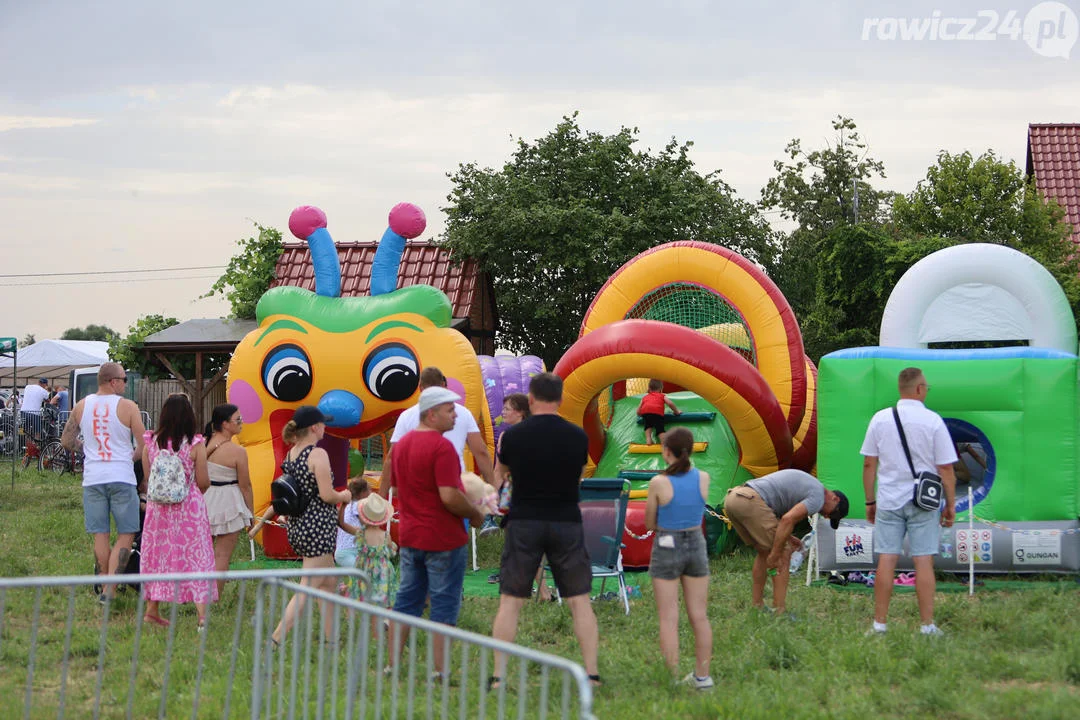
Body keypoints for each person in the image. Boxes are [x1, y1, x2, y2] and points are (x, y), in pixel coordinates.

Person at [489, 372, 601, 691]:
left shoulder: (512, 437)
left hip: (524, 521)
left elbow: (501, 477)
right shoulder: (578, 437)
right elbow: (578, 476)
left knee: (510, 601)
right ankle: (591, 675)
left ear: (532, 398)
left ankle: (499, 677)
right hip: (566, 521)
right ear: (561, 400)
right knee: (580, 601)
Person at [390, 386, 485, 679]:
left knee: (406, 600)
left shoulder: (402, 446)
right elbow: (448, 496)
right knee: (444, 604)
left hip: (410, 536)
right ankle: (440, 672)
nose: (455, 415)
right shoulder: (442, 447)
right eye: (449, 410)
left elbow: (397, 486)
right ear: (431, 414)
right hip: (443, 539)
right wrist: (475, 512)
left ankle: (392, 664)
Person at [861, 367, 957, 637]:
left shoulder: (880, 419)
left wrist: (870, 501)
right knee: (923, 560)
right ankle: (927, 626)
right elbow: (946, 470)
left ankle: (879, 624)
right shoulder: (933, 421)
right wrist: (949, 505)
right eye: (926, 387)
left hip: (889, 499)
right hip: (923, 502)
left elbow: (869, 464)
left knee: (887, 560)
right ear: (918, 389)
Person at [253, 406, 352, 645]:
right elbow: (328, 495)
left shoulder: (292, 454)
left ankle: (332, 640)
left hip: (300, 527)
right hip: (318, 528)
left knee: (326, 584)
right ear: (315, 428)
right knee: (307, 588)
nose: (326, 427)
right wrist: (345, 496)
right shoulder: (318, 455)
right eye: (323, 424)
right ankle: (276, 639)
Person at [61, 363, 147, 604]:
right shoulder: (128, 407)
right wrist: (130, 457)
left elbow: (66, 440)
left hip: (93, 479)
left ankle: (104, 585)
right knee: (126, 534)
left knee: (100, 535)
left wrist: (87, 449)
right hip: (121, 476)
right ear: (113, 381)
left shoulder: (81, 406)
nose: (125, 383)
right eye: (123, 379)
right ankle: (109, 591)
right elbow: (145, 444)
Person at [724, 468, 849, 614]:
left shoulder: (811, 486)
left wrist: (787, 537)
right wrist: (777, 552)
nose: (827, 516)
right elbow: (787, 519)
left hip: (734, 498)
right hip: (750, 501)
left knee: (764, 552)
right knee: (784, 551)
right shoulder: (818, 497)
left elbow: (774, 509)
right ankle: (780, 611)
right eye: (833, 513)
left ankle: (757, 605)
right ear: (835, 498)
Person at [645, 428, 713, 690]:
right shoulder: (703, 478)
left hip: (667, 543)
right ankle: (703, 677)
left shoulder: (658, 483)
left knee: (668, 617)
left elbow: (650, 521)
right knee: (699, 615)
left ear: (666, 452)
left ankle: (671, 679)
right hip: (696, 543)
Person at [140, 394, 217, 628]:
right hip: (188, 508)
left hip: (158, 510)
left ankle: (152, 610)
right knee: (196, 556)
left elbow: (148, 477)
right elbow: (203, 481)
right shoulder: (195, 444)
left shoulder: (151, 442)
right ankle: (202, 616)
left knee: (158, 556)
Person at [379, 366, 495, 497]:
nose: (453, 416)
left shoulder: (407, 416)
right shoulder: (463, 413)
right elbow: (481, 452)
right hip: (454, 487)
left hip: (418, 490)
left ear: (420, 388)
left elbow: (391, 459)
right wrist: (492, 488)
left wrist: (381, 496)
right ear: (444, 385)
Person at [202, 404, 255, 597]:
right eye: (238, 420)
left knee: (201, 553)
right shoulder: (237, 452)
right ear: (225, 424)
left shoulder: (202, 444)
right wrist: (251, 512)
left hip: (203, 499)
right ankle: (213, 597)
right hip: (228, 501)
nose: (241, 423)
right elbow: (245, 485)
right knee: (222, 554)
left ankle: (194, 594)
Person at [354, 492, 398, 612]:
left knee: (367, 589)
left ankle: (364, 608)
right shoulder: (385, 536)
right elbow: (391, 550)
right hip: (383, 569)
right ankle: (386, 616)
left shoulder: (360, 534)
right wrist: (393, 548)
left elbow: (358, 547)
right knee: (384, 592)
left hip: (365, 568)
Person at [335, 477, 371, 598]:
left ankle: (344, 589)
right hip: (347, 551)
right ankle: (342, 590)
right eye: (369, 490)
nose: (370, 493)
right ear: (362, 493)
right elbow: (365, 522)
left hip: (346, 551)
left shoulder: (348, 505)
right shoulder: (358, 506)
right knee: (362, 573)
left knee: (359, 574)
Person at [638, 379, 682, 446]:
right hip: (657, 413)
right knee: (660, 428)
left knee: (648, 425)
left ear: (649, 388)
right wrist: (676, 411)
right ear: (661, 389)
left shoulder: (645, 397)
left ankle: (648, 439)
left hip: (645, 412)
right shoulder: (662, 396)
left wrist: (639, 414)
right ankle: (664, 443)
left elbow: (639, 409)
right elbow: (670, 403)